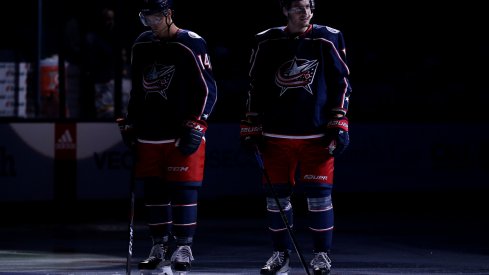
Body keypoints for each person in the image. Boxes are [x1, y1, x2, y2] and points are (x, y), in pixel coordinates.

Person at [240, 0, 352, 274]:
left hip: (317, 135)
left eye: (309, 6)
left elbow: (342, 81)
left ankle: (321, 255)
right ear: (285, 11)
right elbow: (255, 83)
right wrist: (251, 123)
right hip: (276, 135)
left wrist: (339, 119)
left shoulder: (328, 37)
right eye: (298, 7)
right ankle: (280, 254)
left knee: (319, 198)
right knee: (276, 198)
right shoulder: (265, 41)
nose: (306, 12)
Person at [117, 0, 217, 273]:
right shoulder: (141, 43)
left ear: (169, 14)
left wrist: (197, 124)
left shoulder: (190, 43)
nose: (151, 23)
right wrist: (131, 123)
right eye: (145, 17)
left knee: (184, 190)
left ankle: (184, 246)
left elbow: (208, 89)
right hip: (150, 132)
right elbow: (137, 90)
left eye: (155, 18)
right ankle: (158, 246)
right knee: (154, 191)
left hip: (180, 131)